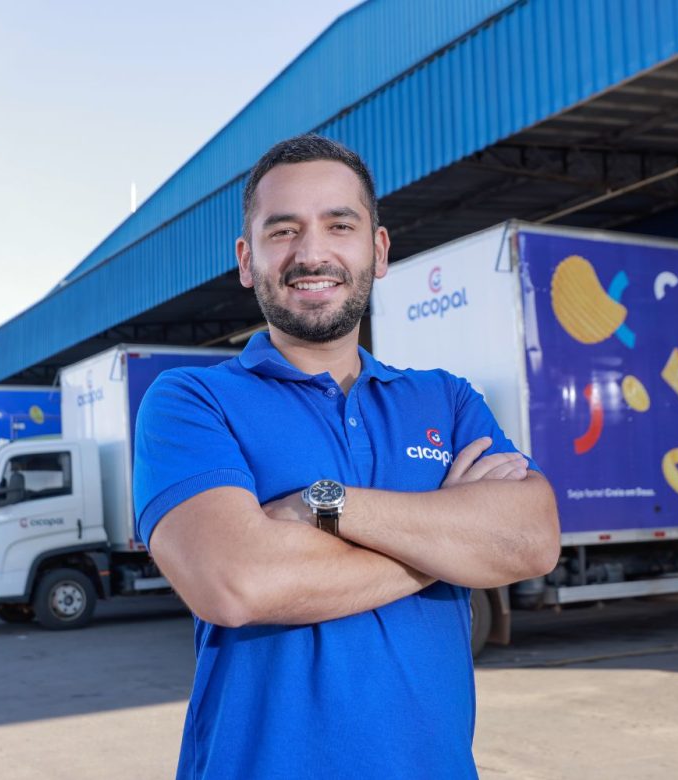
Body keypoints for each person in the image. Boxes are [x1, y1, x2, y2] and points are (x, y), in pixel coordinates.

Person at [133, 134, 559, 779]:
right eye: (283, 230)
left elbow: (532, 541)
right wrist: (448, 541)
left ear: (378, 250)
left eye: (340, 225)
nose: (312, 253)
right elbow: (234, 583)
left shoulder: (445, 399)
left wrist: (321, 505)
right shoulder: (190, 400)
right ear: (247, 260)